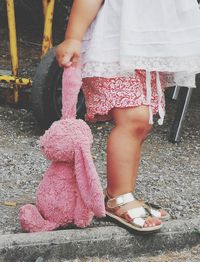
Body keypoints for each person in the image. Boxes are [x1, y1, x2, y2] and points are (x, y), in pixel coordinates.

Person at [56, 0, 200, 232]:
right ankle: (118, 197)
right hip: (114, 48)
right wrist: (74, 37)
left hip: (146, 49)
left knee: (142, 124)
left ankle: (122, 194)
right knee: (134, 119)